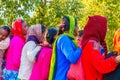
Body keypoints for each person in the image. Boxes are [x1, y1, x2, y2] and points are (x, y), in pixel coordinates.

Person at [81, 15, 120, 80]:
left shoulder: (95, 43)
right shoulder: (92, 45)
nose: (106, 30)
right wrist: (116, 60)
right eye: (105, 27)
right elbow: (101, 66)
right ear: (98, 28)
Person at [48, 16, 82, 80]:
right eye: (77, 26)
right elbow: (72, 58)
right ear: (73, 27)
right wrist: (81, 48)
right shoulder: (64, 39)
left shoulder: (68, 39)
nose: (78, 28)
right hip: (62, 77)